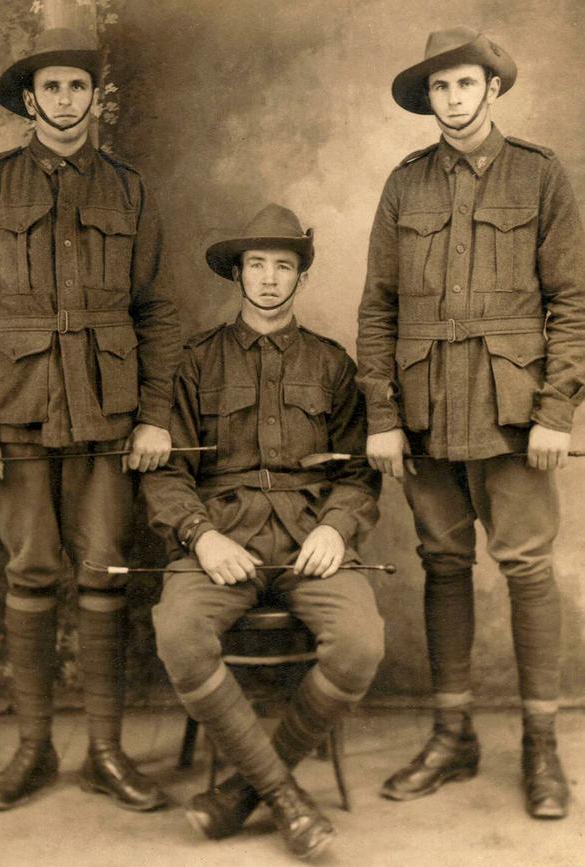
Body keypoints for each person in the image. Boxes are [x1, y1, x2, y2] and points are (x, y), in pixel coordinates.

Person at [0, 28, 182, 811]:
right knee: (32, 571)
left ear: (94, 98)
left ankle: (106, 752)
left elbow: (158, 312)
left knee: (105, 571)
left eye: (78, 87)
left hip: (109, 415)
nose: (66, 100)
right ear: (30, 99)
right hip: (15, 411)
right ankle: (34, 749)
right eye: (52, 88)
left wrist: (152, 416)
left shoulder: (129, 189)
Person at [356, 26, 585, 819]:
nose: (453, 100)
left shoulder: (540, 174)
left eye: (465, 84)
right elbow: (378, 307)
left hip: (514, 416)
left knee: (526, 570)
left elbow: (574, 302)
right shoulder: (405, 183)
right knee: (443, 564)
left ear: (494, 88)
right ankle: (452, 735)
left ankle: (542, 749)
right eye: (440, 89)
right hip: (425, 417)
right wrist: (383, 415)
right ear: (431, 99)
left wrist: (557, 409)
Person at [143, 204, 383, 858]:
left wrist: (336, 526)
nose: (270, 279)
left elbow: (360, 471)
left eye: (284, 265)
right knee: (179, 632)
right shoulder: (195, 362)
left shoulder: (332, 365)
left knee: (361, 642)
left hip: (310, 540)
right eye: (257, 265)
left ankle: (246, 792)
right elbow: (163, 472)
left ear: (301, 276)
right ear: (238, 273)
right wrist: (200, 535)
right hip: (222, 538)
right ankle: (282, 796)